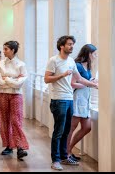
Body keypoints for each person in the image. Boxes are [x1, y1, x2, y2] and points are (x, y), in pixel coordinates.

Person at [44, 35, 98, 171]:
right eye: (69, 44)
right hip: (58, 99)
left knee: (66, 130)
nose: (72, 46)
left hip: (69, 99)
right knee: (59, 131)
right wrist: (61, 75)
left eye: (73, 44)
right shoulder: (53, 60)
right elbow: (46, 79)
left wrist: (93, 84)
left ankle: (64, 156)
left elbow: (79, 79)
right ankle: (55, 160)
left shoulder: (71, 62)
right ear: (61, 46)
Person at [0, 41, 29, 161]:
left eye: (6, 49)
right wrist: (14, 80)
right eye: (3, 49)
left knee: (16, 120)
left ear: (13, 50)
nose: (3, 51)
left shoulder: (21, 64)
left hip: (16, 95)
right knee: (4, 121)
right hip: (2, 94)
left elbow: (20, 83)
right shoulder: (0, 64)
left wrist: (8, 79)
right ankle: (9, 146)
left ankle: (20, 147)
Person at [66, 44, 98, 161]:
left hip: (85, 100)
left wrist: (91, 81)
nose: (96, 56)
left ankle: (69, 149)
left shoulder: (88, 66)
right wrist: (89, 83)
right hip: (77, 99)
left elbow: (85, 81)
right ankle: (67, 153)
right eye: (94, 54)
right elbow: (73, 83)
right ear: (88, 54)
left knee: (87, 127)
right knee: (71, 128)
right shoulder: (78, 66)